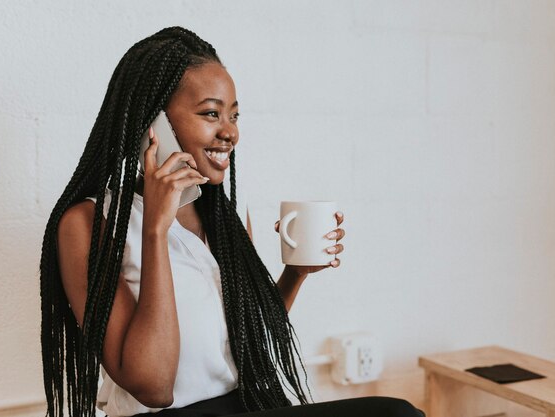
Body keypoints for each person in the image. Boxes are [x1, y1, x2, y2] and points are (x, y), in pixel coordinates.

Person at [39, 27, 424, 417]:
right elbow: (154, 386)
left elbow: (245, 342)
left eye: (234, 115)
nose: (230, 132)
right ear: (153, 123)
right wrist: (156, 229)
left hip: (245, 405)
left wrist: (296, 273)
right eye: (211, 113)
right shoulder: (88, 223)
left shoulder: (216, 215)